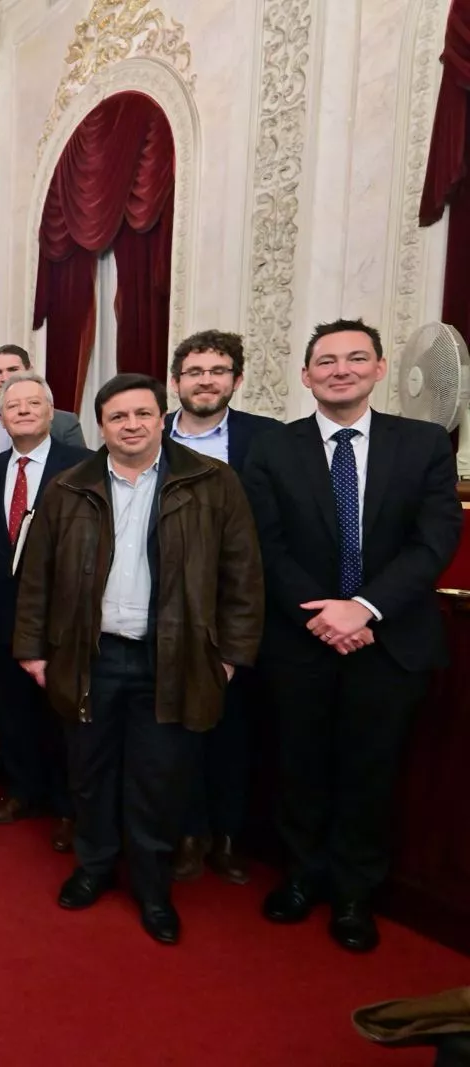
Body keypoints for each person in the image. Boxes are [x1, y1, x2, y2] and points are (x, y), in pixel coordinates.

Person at [14, 373, 263, 946]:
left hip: (171, 658)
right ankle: (94, 867)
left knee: (158, 780)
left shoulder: (211, 482)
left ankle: (153, 889)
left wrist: (228, 658)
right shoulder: (69, 485)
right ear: (101, 425)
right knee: (90, 773)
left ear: (161, 416)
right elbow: (36, 576)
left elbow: (242, 576)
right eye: (118, 417)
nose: (131, 425)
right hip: (88, 656)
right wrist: (30, 648)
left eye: (142, 414)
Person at [242, 319, 460, 953]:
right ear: (306, 376)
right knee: (298, 765)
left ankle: (356, 891)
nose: (341, 369)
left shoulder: (421, 444)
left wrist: (362, 608)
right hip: (299, 639)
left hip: (390, 644)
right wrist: (323, 614)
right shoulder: (274, 448)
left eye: (355, 358)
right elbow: (265, 543)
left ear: (380, 368)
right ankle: (302, 877)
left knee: (371, 771)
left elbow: (434, 541)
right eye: (327, 361)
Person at [162, 330, 280, 884]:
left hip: (233, 605)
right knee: (176, 730)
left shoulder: (269, 441)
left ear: (236, 378)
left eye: (217, 370)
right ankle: (187, 832)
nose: (205, 380)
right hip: (161, 608)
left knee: (232, 728)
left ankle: (229, 836)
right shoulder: (144, 432)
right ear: (176, 380)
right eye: (194, 371)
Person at [0, 372, 88, 851]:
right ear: (0, 416)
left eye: (32, 404)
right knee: (12, 710)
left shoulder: (82, 467)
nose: (21, 411)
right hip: (2, 616)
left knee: (61, 715)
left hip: (62, 619)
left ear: (51, 413)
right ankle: (21, 791)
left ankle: (67, 807)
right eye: (12, 406)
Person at [0, 344, 86, 466]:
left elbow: (80, 472)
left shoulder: (65, 423)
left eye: (12, 369)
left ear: (30, 371)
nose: (5, 378)